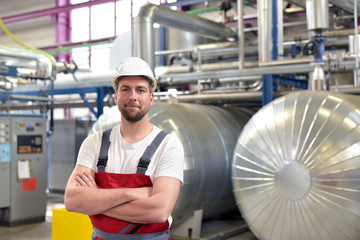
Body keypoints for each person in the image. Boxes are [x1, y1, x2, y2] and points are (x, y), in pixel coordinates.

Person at [64, 57, 184, 240]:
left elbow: (159, 211)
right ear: (116, 96)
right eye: (125, 89)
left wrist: (96, 199)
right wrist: (133, 193)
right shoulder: (94, 142)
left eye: (140, 90)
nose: (132, 96)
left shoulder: (168, 146)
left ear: (151, 98)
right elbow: (72, 200)